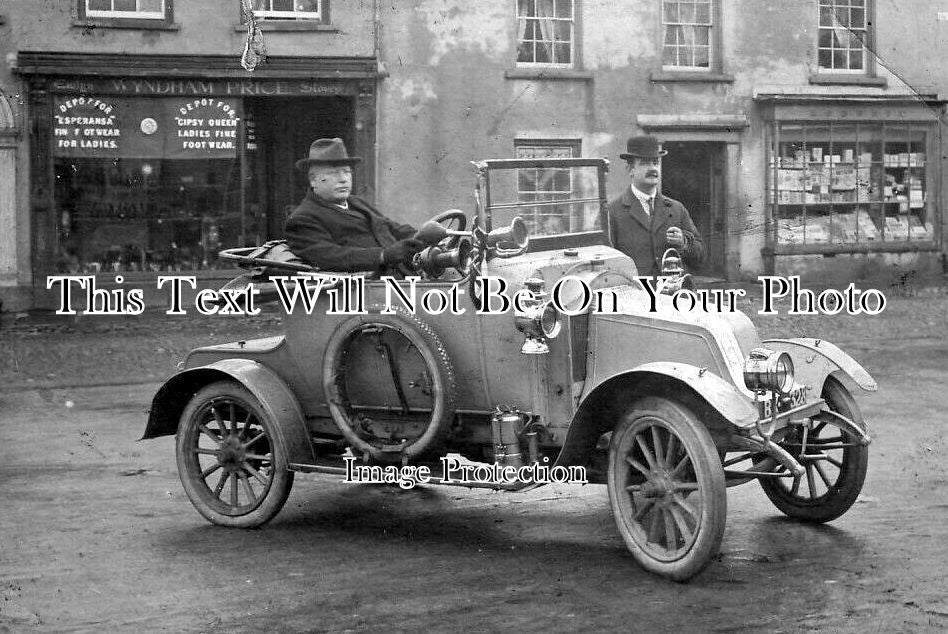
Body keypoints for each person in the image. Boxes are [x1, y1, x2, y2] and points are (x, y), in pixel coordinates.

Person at [284, 138, 423, 272]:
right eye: (334, 173)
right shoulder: (302, 218)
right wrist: (383, 255)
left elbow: (393, 228)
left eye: (347, 172)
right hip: (363, 285)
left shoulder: (357, 203)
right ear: (313, 180)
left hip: (403, 275)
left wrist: (421, 237)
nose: (343, 179)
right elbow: (330, 256)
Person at [607, 135, 704, 275]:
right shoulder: (612, 212)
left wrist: (684, 243)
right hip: (635, 288)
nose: (653, 168)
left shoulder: (677, 209)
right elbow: (606, 265)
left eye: (655, 162)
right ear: (630, 170)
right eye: (645, 163)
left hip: (673, 287)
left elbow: (700, 257)